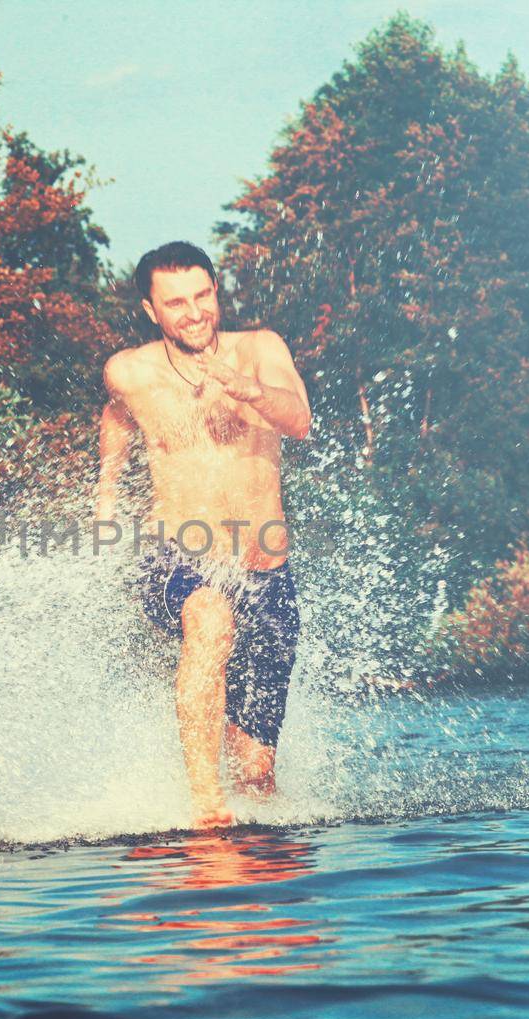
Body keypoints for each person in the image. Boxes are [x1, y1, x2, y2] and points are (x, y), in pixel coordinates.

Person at [95, 241, 311, 827]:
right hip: (180, 554)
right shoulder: (130, 370)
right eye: (176, 303)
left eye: (202, 296)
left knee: (258, 774)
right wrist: (107, 492)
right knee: (209, 617)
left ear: (216, 291)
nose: (193, 313)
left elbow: (300, 420)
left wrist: (246, 389)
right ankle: (204, 806)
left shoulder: (260, 349)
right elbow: (118, 413)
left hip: (266, 572)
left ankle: (249, 872)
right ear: (150, 310)